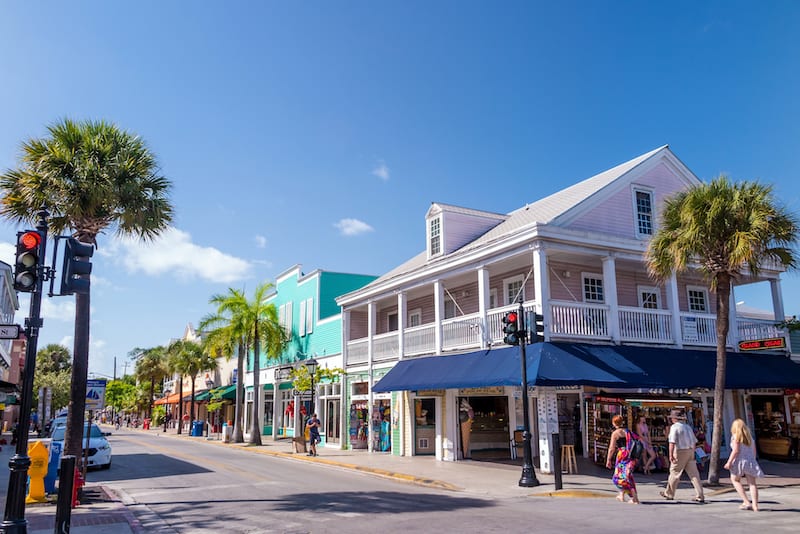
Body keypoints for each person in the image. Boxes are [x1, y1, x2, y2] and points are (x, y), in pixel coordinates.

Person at [660, 409, 704, 503]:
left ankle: (669, 493)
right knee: (694, 474)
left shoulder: (674, 427)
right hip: (690, 450)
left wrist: (671, 454)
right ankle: (700, 495)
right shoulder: (688, 427)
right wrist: (692, 451)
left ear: (674, 418)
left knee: (675, 472)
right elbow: (694, 441)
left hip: (680, 450)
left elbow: (672, 442)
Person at [724, 418, 765, 512]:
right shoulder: (749, 437)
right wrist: (753, 460)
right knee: (752, 483)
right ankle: (755, 505)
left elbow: (735, 451)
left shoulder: (735, 437)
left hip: (739, 461)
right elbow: (754, 451)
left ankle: (746, 501)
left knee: (735, 480)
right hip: (750, 461)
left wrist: (729, 462)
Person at [605, 414, 640, 504]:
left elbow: (612, 448)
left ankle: (634, 497)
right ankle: (622, 495)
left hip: (622, 455)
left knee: (619, 477)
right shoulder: (628, 431)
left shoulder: (615, 433)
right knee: (627, 475)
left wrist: (608, 459)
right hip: (630, 455)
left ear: (614, 423)